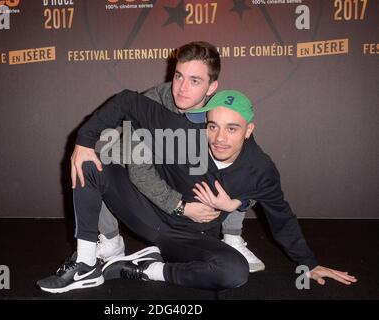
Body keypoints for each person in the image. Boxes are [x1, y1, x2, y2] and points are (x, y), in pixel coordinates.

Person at [37, 89, 357, 292]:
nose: (219, 137)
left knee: (234, 272)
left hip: (189, 239)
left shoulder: (260, 169)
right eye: (212, 126)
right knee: (91, 164)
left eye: (232, 129)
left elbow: (282, 219)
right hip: (150, 214)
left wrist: (309, 263)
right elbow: (126, 100)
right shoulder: (182, 131)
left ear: (249, 131)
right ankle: (87, 262)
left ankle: (149, 269)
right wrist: (84, 140)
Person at [71, 41, 265, 272]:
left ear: (212, 87)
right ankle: (111, 240)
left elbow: (251, 173)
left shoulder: (224, 111)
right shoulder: (151, 103)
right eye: (179, 76)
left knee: (229, 158)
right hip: (157, 193)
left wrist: (233, 203)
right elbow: (140, 170)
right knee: (100, 159)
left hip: (202, 202)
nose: (182, 88)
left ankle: (232, 237)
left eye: (195, 81)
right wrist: (181, 206)